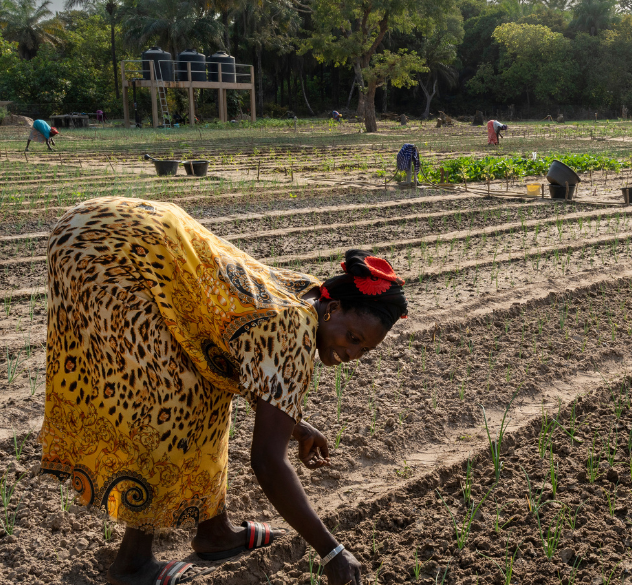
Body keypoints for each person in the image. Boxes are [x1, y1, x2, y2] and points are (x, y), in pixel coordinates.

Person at [40, 197, 406, 585]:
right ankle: (131, 565)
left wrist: (296, 426)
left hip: (111, 225)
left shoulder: (310, 295)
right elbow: (267, 462)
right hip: (106, 251)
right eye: (352, 337)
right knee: (177, 399)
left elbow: (242, 362)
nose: (351, 353)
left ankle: (213, 532)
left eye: (363, 349)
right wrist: (332, 551)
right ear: (335, 311)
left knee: (209, 382)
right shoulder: (295, 331)